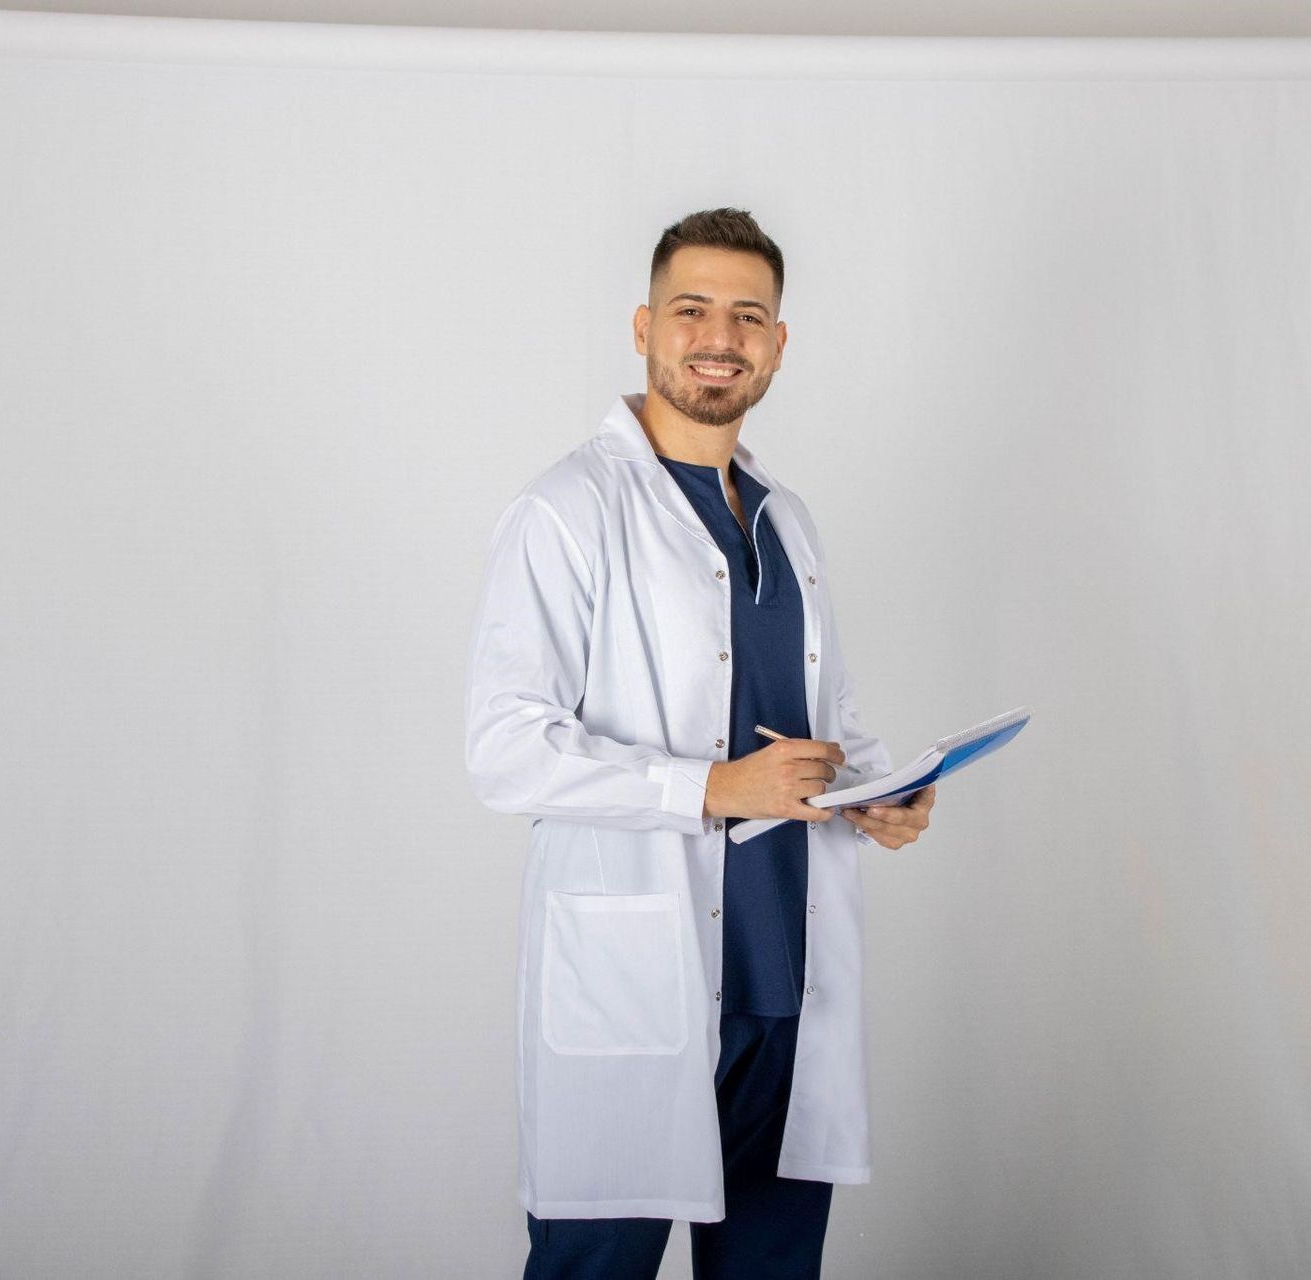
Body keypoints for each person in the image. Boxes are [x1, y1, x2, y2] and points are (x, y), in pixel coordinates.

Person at [464, 207, 936, 1280]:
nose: (718, 334)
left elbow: (825, 720)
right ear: (644, 326)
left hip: (785, 988)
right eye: (691, 308)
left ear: (776, 343)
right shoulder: (568, 510)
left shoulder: (787, 518)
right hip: (643, 987)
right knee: (596, 1267)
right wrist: (713, 786)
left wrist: (878, 789)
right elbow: (502, 745)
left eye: (747, 314)